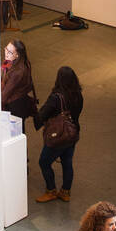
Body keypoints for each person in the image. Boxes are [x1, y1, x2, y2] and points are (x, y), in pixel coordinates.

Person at [34, 66, 83, 203]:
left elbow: (43, 114)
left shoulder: (56, 97)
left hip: (58, 136)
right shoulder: (78, 94)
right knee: (67, 162)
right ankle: (65, 192)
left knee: (43, 162)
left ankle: (51, 191)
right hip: (72, 134)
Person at [0, 38, 37, 133]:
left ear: (17, 55)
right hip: (17, 102)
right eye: (6, 49)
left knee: (16, 135)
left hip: (15, 107)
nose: (6, 53)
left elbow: (5, 95)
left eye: (10, 52)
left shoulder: (18, 72)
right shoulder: (10, 61)